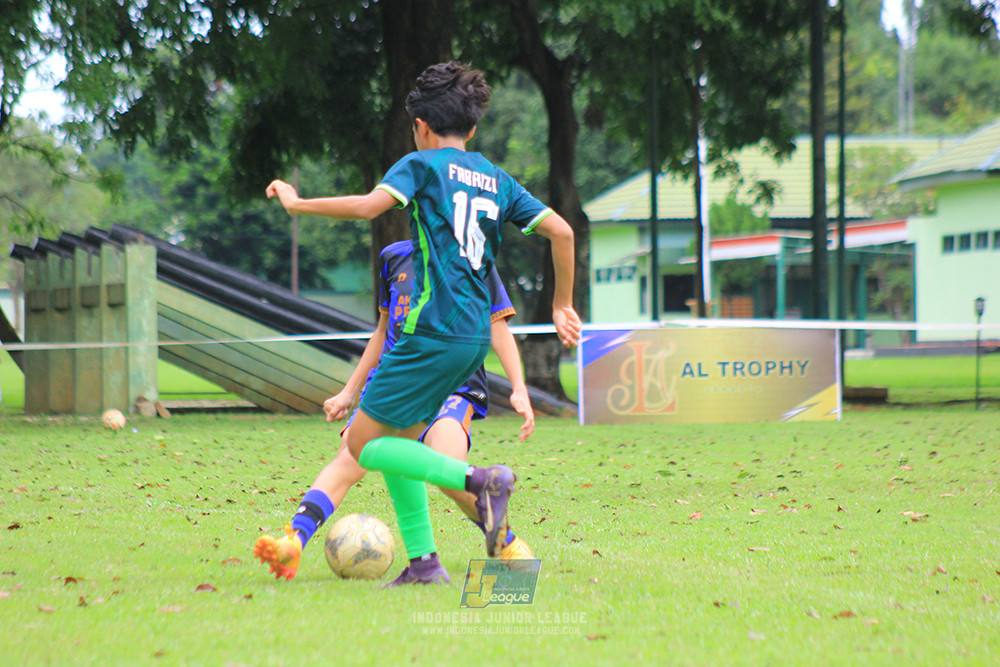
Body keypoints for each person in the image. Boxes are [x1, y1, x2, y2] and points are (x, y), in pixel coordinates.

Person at [263, 61, 581, 586]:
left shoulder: (421, 165)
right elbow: (563, 233)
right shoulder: (496, 178)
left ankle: (480, 481)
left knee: (360, 445)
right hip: (471, 340)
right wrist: (560, 304)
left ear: (421, 126)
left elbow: (367, 207)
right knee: (401, 444)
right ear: (472, 129)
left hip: (428, 333)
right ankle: (425, 564)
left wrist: (298, 205)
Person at [253, 239, 536, 581]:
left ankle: (506, 541)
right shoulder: (393, 256)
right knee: (350, 456)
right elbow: (383, 331)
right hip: (395, 382)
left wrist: (519, 387)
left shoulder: (474, 256)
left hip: (452, 384)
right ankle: (295, 540)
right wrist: (349, 391)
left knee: (448, 471)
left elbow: (497, 327)